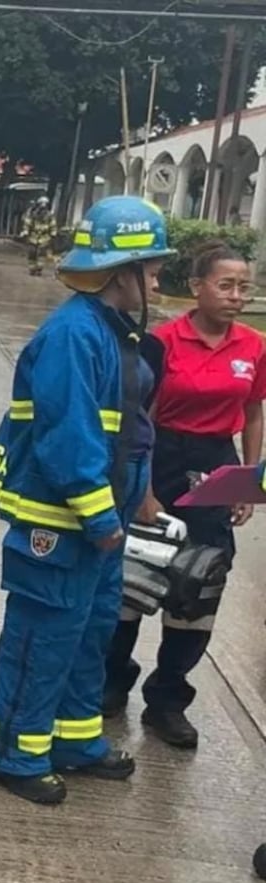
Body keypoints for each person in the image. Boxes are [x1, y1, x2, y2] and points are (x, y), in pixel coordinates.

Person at [0, 196, 176, 805]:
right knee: (42, 637)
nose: (159, 281)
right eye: (152, 268)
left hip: (99, 525)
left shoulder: (111, 331)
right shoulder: (73, 335)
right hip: (61, 524)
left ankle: (73, 738)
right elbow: (70, 436)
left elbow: (129, 431)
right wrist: (99, 516)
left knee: (89, 632)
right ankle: (14, 752)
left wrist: (129, 507)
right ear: (122, 272)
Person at [104, 242, 264, 749]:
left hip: (215, 461)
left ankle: (168, 700)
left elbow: (253, 412)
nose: (236, 295)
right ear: (196, 287)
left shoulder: (254, 346)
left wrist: (248, 481)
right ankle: (111, 681)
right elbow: (141, 419)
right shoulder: (162, 342)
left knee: (201, 582)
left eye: (243, 287)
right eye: (225, 285)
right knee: (134, 577)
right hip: (161, 456)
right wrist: (144, 489)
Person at [22, 196, 57, 276]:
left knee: (42, 253)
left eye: (45, 205)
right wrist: (25, 232)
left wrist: (53, 234)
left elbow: (53, 225)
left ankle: (39, 268)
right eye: (41, 204)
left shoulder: (50, 215)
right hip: (33, 236)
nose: (43, 207)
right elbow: (27, 224)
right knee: (32, 252)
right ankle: (32, 269)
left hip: (44, 237)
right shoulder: (32, 214)